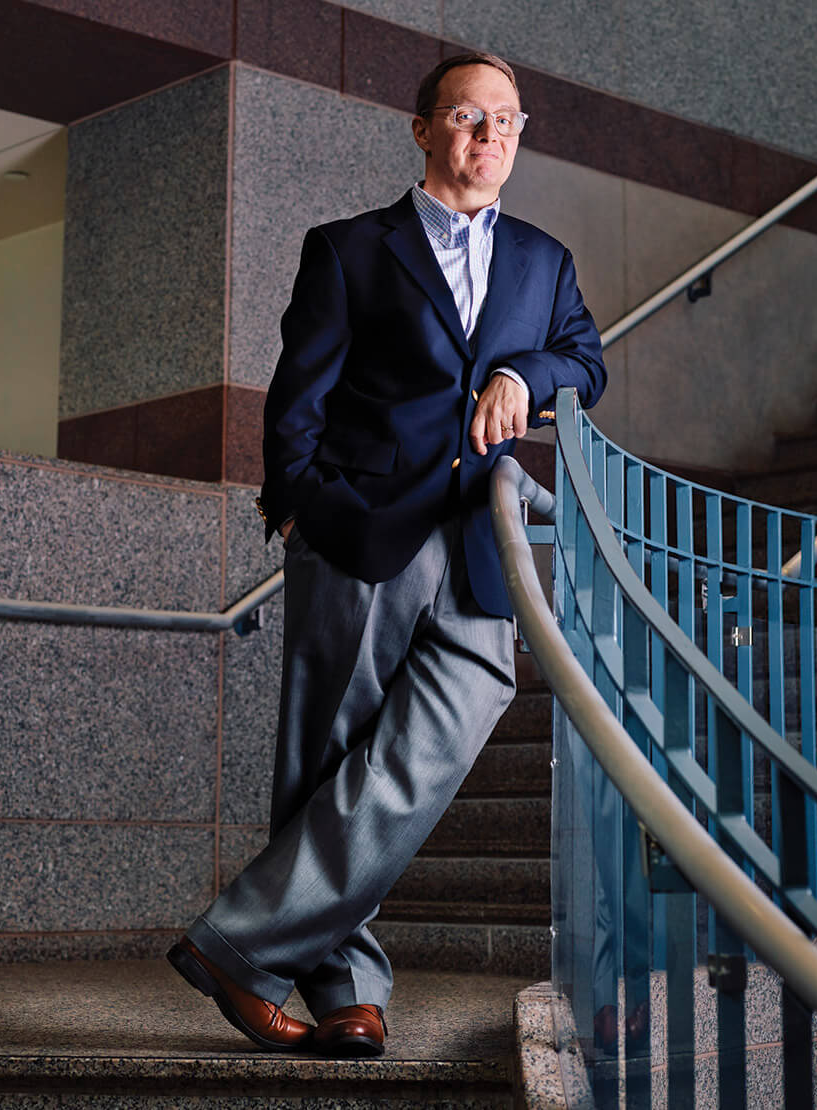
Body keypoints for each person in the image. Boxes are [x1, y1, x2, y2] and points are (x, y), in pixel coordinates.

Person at [168, 51, 606, 1057]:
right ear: (423, 128)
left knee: (438, 735)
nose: (488, 135)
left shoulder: (544, 260)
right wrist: (301, 508)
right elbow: (299, 397)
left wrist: (523, 373)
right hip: (361, 529)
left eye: (505, 119)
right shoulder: (350, 249)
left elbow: (587, 361)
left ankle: (240, 946)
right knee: (330, 755)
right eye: (466, 116)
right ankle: (346, 988)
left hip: (480, 541)